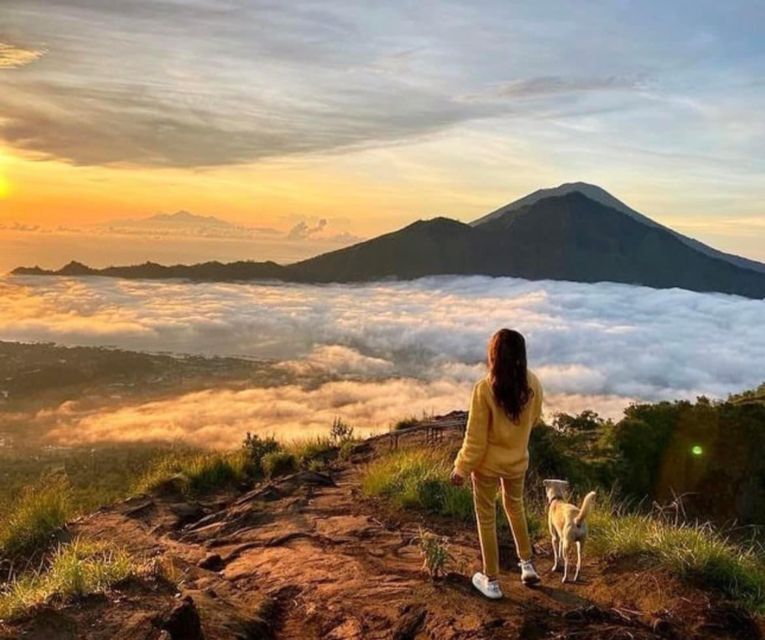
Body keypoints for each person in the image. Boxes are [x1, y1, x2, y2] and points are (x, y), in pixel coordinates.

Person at [450, 328, 543, 599]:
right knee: (515, 507)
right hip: (517, 462)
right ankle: (527, 564)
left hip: (487, 467)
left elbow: (475, 439)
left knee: (487, 519)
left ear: (494, 356)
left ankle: (491, 581)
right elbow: (533, 420)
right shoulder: (533, 384)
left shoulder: (485, 389)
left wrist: (461, 468)